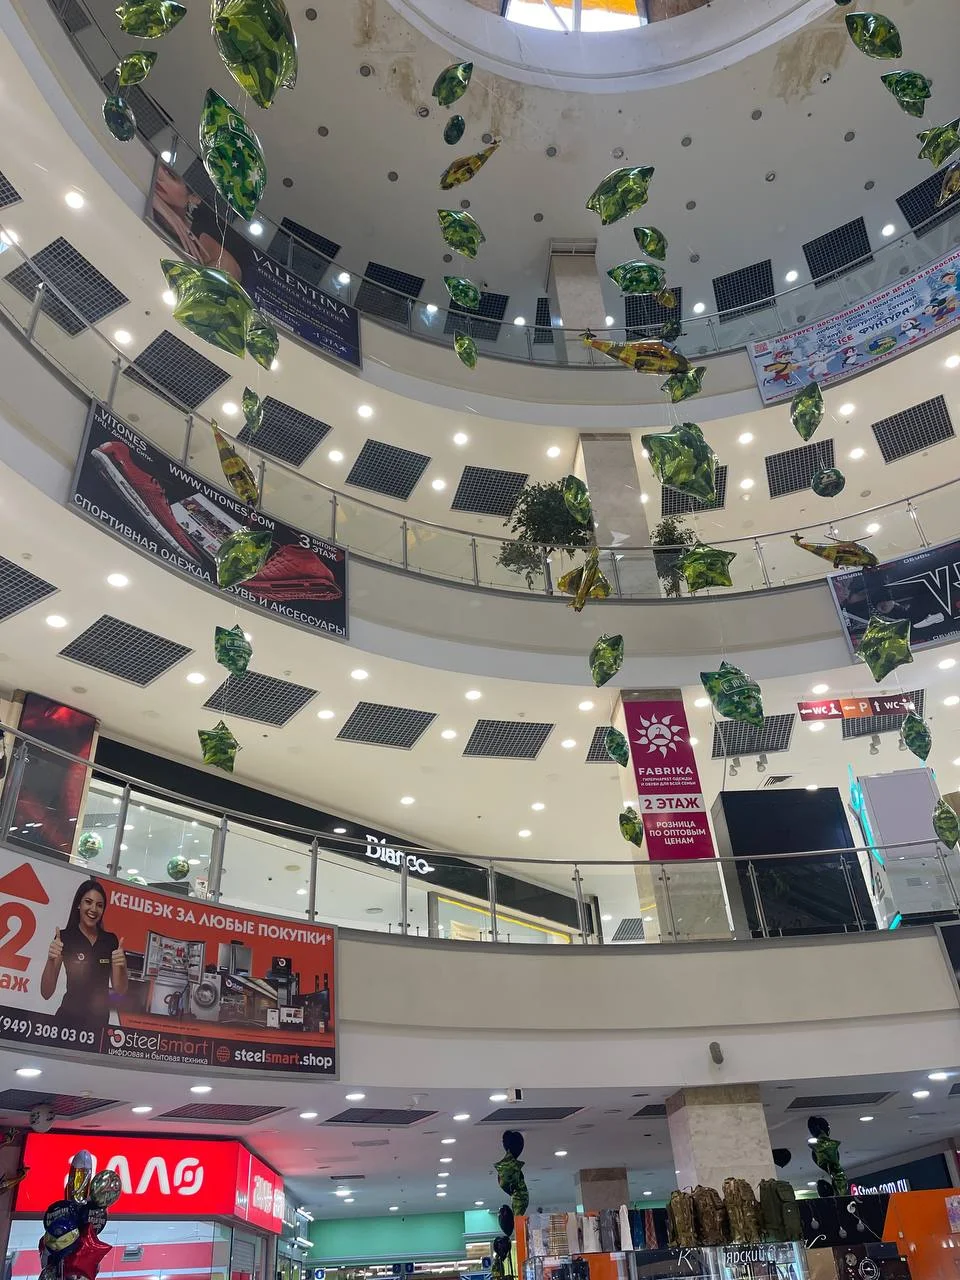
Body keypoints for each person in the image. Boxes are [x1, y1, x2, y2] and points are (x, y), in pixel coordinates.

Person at [40, 879, 127, 1033]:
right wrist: (50, 959)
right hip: (67, 1022)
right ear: (79, 904)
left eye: (99, 905)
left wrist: (123, 965)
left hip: (98, 1024)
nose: (93, 909)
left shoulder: (110, 940)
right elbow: (46, 993)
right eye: (88, 902)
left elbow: (120, 990)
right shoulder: (65, 937)